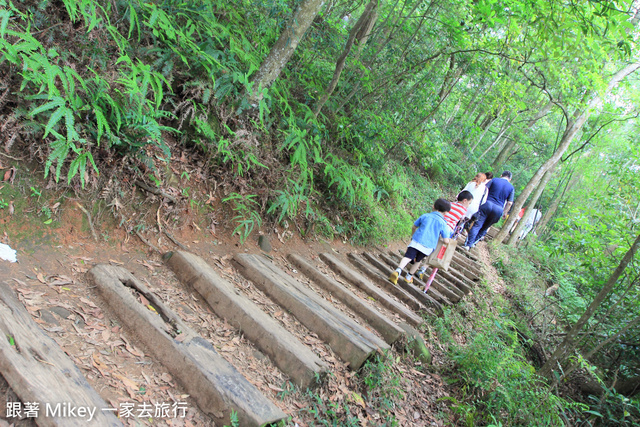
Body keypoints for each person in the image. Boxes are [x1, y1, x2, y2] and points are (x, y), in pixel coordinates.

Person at [389, 198, 451, 285]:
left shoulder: (425, 216)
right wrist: (447, 241)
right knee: (418, 261)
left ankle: (398, 270)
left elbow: (414, 226)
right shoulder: (443, 224)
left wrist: (413, 235)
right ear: (446, 212)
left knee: (408, 257)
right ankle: (408, 277)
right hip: (428, 246)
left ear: (434, 207)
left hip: (417, 241)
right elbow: (446, 240)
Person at [463, 170, 515, 250]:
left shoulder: (494, 180)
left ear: (501, 175)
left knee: (477, 225)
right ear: (510, 179)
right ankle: (473, 243)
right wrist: (505, 212)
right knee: (485, 228)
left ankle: (468, 244)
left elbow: (484, 189)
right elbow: (510, 203)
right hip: (498, 210)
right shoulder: (511, 188)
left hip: (487, 204)